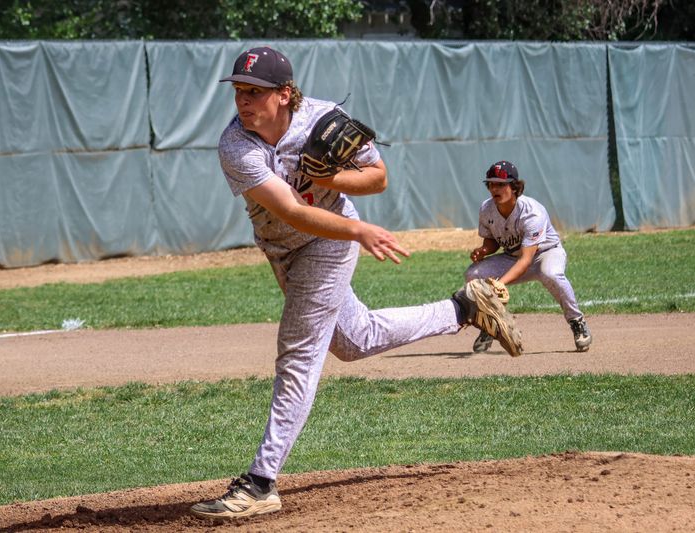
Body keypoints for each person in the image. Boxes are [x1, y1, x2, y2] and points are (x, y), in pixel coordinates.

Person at [190, 46, 521, 520]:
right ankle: (464, 309)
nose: (244, 101)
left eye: (256, 92)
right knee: (353, 338)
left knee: (298, 353)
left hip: (328, 244)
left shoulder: (324, 120)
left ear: (284, 94)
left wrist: (336, 179)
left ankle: (262, 481)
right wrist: (358, 229)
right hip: (286, 245)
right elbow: (290, 211)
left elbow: (378, 177)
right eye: (240, 91)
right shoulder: (236, 145)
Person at [466, 160, 592, 353]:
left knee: (550, 274)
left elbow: (527, 259)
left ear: (515, 187)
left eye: (501, 184)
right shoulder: (487, 208)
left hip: (546, 254)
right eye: (491, 184)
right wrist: (483, 251)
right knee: (473, 274)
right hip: (513, 257)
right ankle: (490, 326)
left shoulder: (532, 212)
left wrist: (500, 283)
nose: (494, 188)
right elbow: (492, 242)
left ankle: (577, 321)